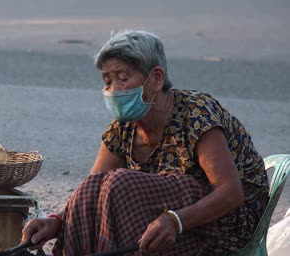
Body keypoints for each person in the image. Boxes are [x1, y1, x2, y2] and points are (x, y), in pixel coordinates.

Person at [21, 30, 269, 255]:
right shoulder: (123, 128)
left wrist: (175, 220)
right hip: (168, 220)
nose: (113, 89)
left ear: (156, 79)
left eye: (123, 77)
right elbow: (91, 190)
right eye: (107, 80)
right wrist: (56, 221)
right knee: (97, 188)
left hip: (226, 223)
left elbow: (231, 193)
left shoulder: (196, 114)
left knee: (120, 186)